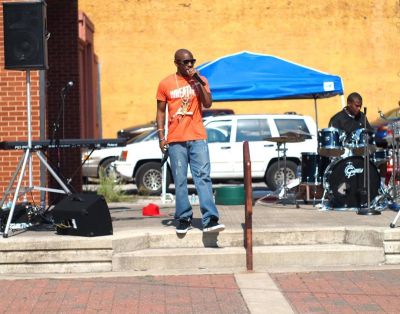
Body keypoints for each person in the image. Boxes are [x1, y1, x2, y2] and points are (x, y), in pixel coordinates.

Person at [156, 48, 225, 234]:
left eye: (192, 62)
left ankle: (210, 219)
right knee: (179, 180)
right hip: (176, 139)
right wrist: (161, 136)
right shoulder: (165, 83)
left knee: (203, 177)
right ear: (176, 63)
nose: (189, 65)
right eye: (185, 62)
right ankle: (184, 217)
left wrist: (198, 80)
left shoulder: (201, 80)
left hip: (197, 137)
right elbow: (161, 112)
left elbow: (208, 102)